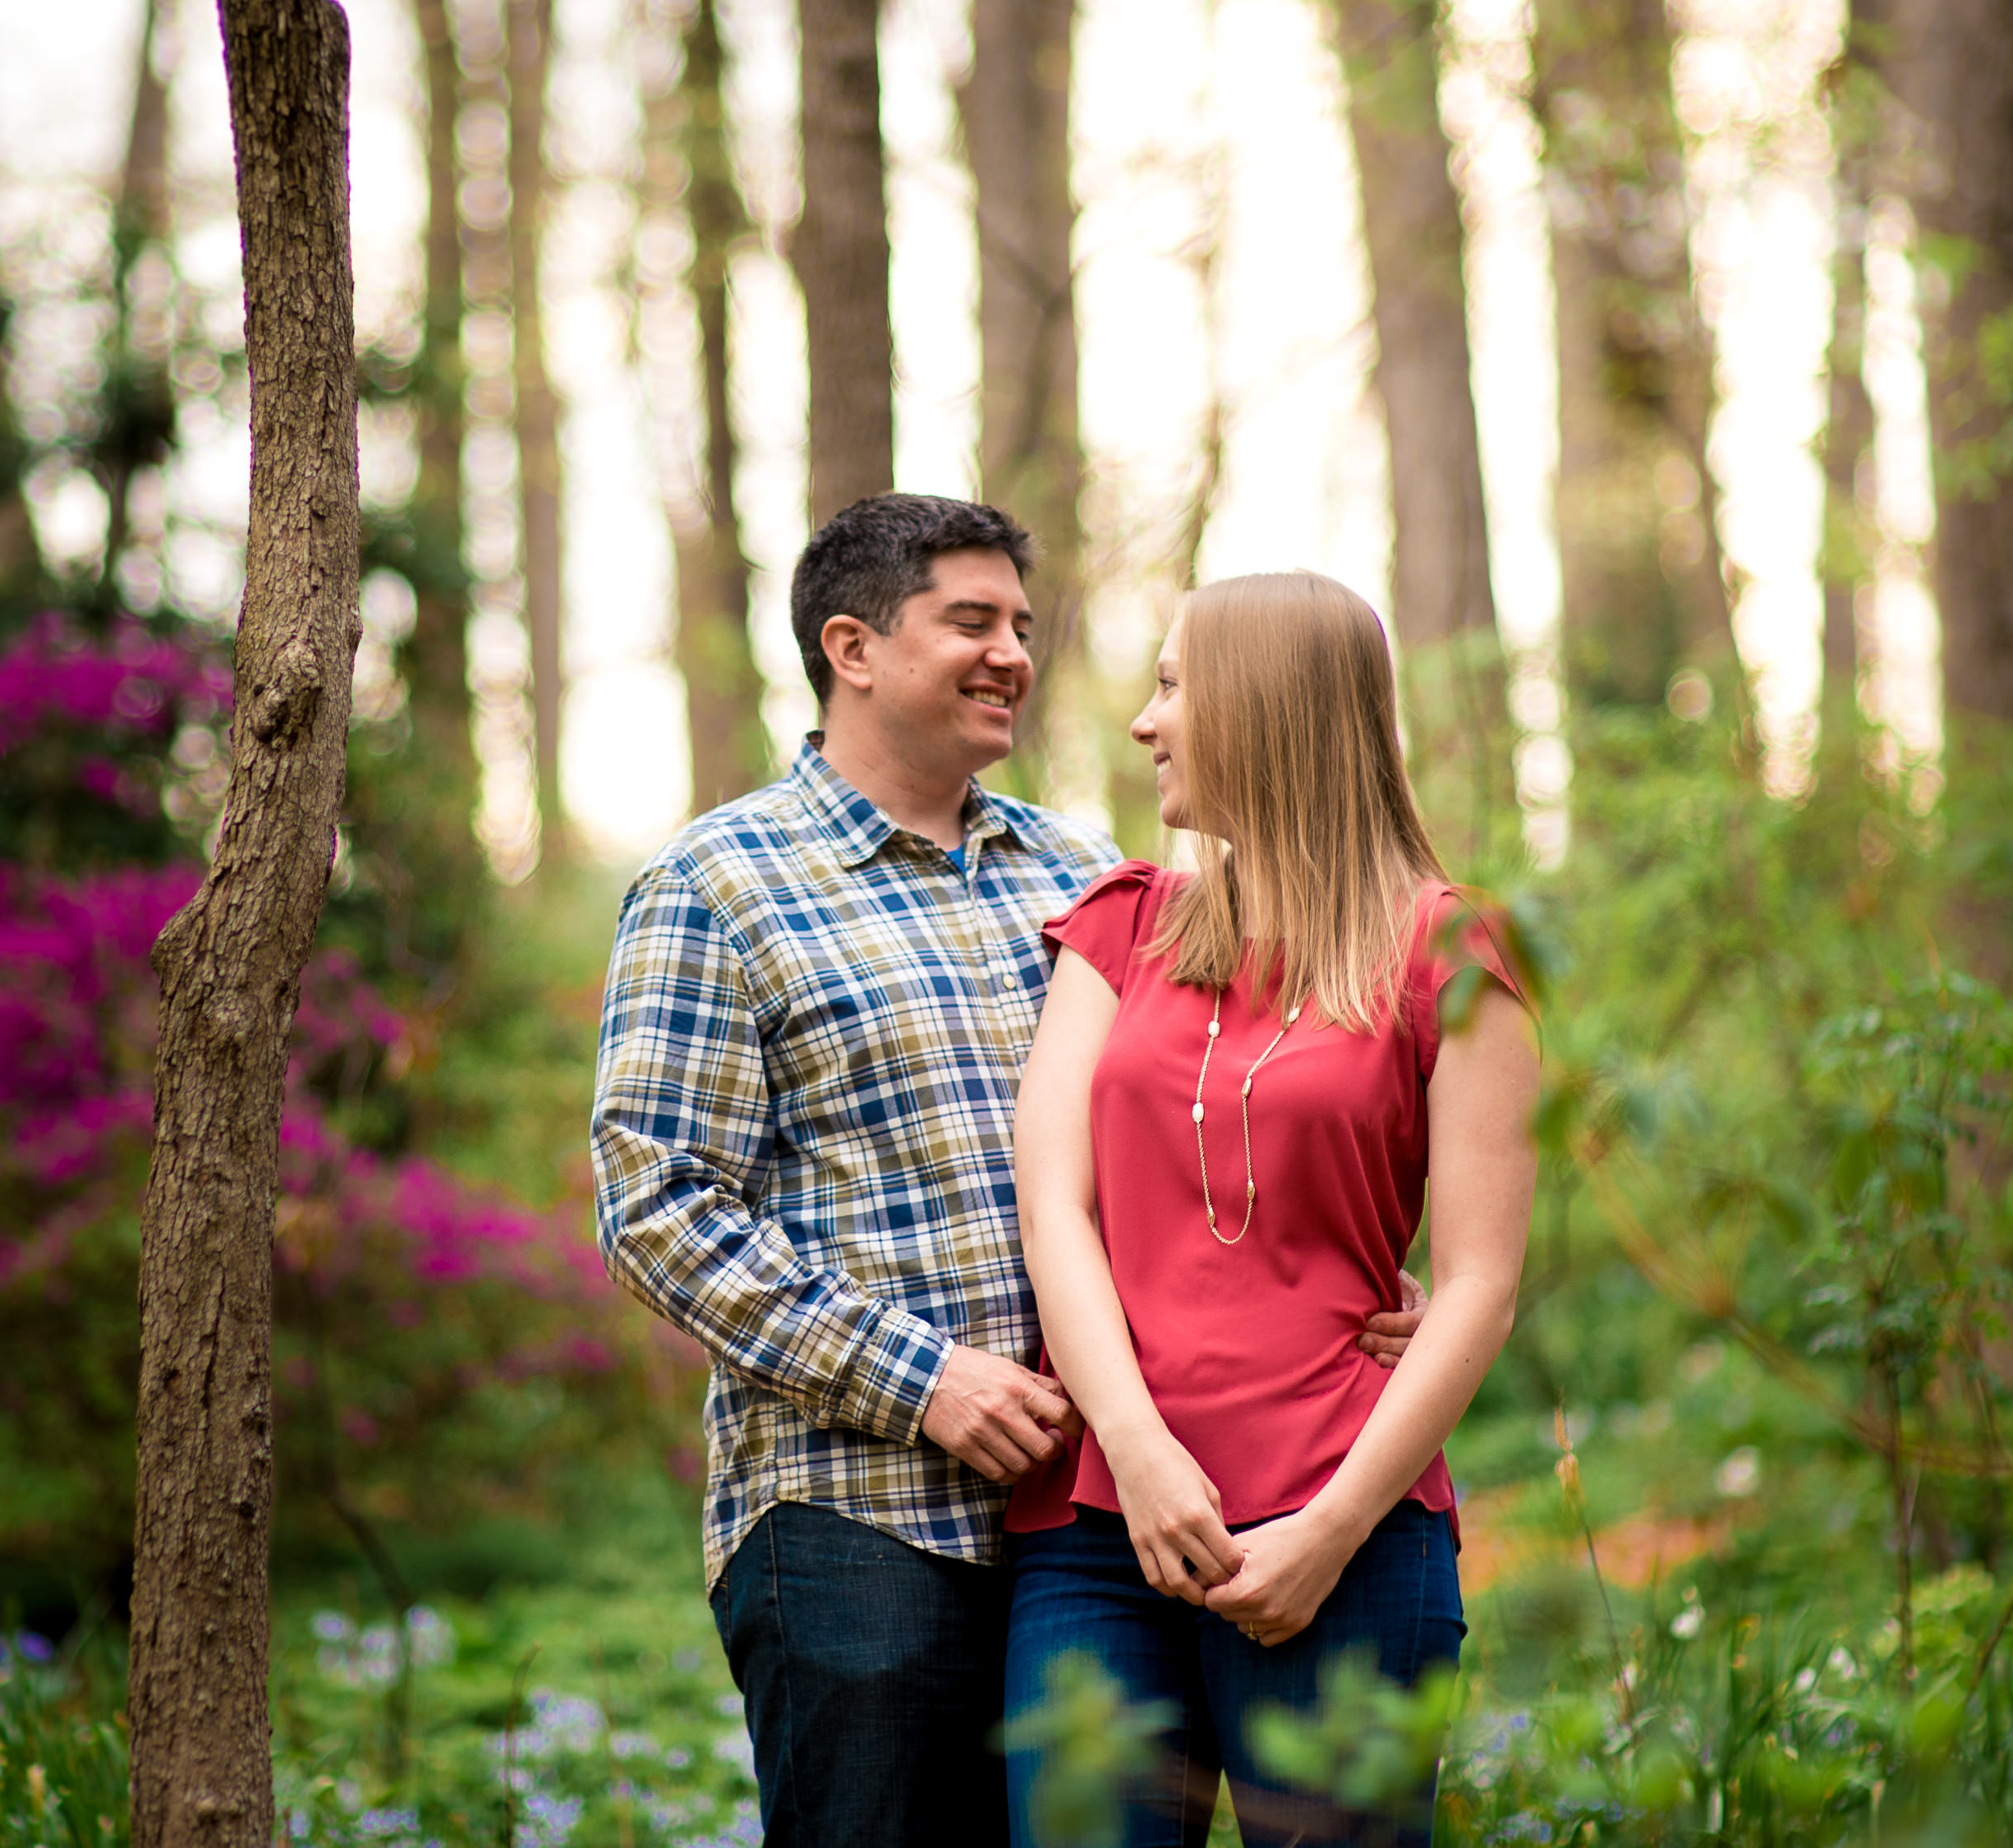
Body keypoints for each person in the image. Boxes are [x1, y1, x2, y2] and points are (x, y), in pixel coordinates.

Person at [592, 501, 1433, 1847]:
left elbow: (1230, 1116)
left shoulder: (1090, 872)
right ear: (852, 646)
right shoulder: (719, 883)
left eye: (1023, 628)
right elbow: (658, 1209)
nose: (1013, 656)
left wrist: (1349, 1279)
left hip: (1101, 1522)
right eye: (971, 622)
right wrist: (924, 1381)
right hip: (861, 1519)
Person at [999, 571, 1538, 1848]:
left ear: (1266, 706)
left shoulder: (1453, 953)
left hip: (1344, 1529)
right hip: (1097, 1530)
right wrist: (1134, 1449)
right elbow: (1053, 1209)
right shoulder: (1121, 925)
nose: (1146, 719)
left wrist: (1329, 1530)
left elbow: (1476, 1279)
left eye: (1175, 684)